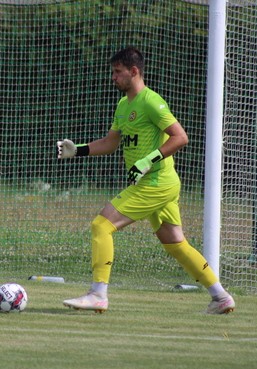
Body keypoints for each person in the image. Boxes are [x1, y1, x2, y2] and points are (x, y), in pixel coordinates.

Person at [56, 47, 235, 315]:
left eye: (118, 72)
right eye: (113, 72)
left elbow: (180, 137)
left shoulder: (151, 101)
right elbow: (110, 143)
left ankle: (97, 294)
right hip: (158, 184)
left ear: (134, 71)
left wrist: (147, 160)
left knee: (100, 226)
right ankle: (220, 297)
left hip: (155, 183)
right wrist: (78, 150)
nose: (113, 77)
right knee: (176, 244)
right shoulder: (123, 104)